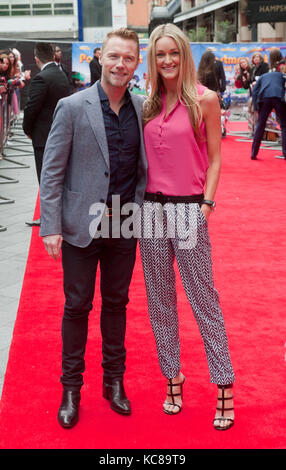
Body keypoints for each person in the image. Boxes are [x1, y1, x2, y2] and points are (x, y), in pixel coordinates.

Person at [39, 28, 147, 429]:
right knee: (77, 305)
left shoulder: (141, 107)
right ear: (101, 56)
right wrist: (50, 224)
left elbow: (142, 168)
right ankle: (71, 388)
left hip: (124, 222)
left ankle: (113, 381)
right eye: (114, 57)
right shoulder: (71, 106)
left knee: (117, 305)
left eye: (129, 58)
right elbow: (52, 171)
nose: (121, 65)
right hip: (80, 225)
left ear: (137, 63)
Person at [139, 23, 235, 430]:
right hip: (148, 214)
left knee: (203, 300)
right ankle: (173, 377)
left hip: (188, 210)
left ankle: (224, 384)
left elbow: (214, 159)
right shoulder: (145, 103)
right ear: (153, 59)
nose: (167, 61)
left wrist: (206, 206)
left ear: (184, 54)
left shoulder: (205, 100)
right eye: (159, 54)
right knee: (160, 303)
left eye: (173, 53)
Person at [23, 42, 70, 226]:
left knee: (45, 178)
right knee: (57, 177)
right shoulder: (60, 74)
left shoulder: (41, 78)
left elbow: (31, 108)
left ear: (36, 59)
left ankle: (48, 218)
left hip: (44, 136)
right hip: (60, 132)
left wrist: (27, 129)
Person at [251, 57, 286, 160]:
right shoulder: (282, 76)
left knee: (260, 125)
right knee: (284, 125)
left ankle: (254, 153)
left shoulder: (262, 76)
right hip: (278, 97)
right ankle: (285, 153)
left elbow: (254, 92)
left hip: (264, 98)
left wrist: (256, 106)